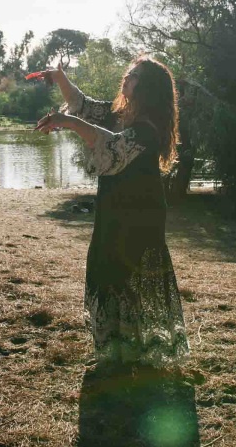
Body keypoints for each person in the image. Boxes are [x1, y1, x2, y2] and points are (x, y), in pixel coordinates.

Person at [36, 57, 190, 368]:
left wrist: (66, 122)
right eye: (128, 73)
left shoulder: (148, 127)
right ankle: (113, 351)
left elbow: (113, 149)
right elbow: (83, 105)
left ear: (147, 88)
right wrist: (60, 78)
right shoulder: (120, 113)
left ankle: (142, 353)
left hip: (140, 212)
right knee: (107, 270)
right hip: (113, 206)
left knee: (131, 277)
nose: (126, 78)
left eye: (133, 76)